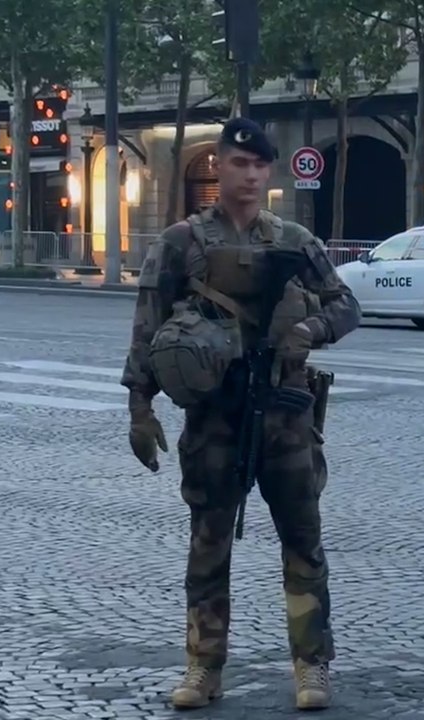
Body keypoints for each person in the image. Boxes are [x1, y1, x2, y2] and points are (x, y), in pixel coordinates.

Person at [120, 117, 361, 711]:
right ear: (219, 167)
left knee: (303, 540)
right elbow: (147, 327)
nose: (249, 175)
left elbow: (347, 304)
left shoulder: (295, 241)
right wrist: (139, 406)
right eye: (237, 164)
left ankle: (312, 666)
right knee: (208, 542)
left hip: (285, 412)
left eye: (258, 166)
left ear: (269, 172)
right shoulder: (181, 242)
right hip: (215, 413)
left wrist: (310, 327)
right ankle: (203, 667)